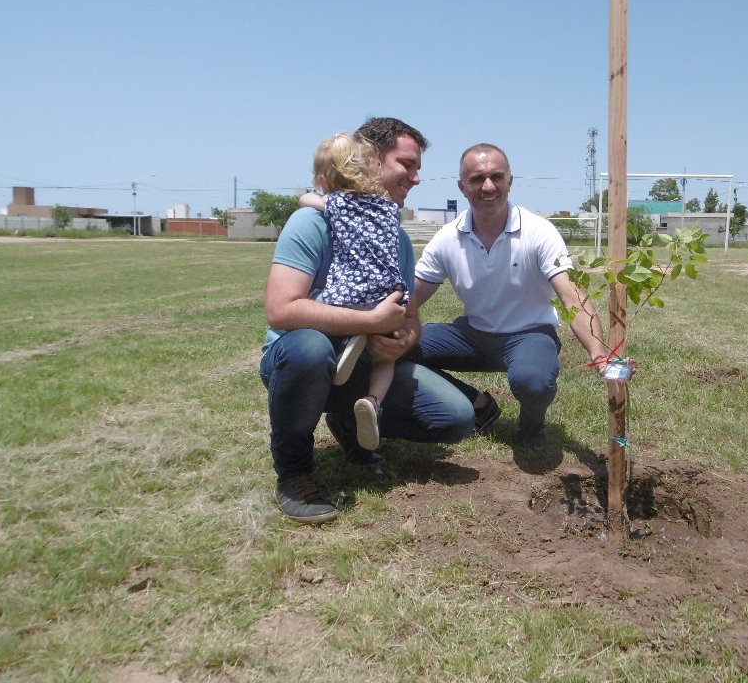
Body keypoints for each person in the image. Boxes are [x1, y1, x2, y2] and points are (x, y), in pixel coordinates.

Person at [260, 118, 475, 524]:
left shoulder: (394, 237)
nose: (415, 177)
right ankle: (295, 472)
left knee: (455, 417)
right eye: (407, 165)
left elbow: (408, 317)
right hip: (304, 361)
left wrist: (401, 339)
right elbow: (282, 310)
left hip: (362, 363)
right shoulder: (313, 222)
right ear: (372, 159)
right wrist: (371, 319)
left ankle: (352, 419)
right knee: (309, 347)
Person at [411, 143, 610, 449]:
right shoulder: (447, 238)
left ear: (510, 181)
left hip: (529, 335)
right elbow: (412, 297)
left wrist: (599, 352)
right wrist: (369, 324)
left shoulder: (538, 232)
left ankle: (531, 424)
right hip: (472, 335)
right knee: (397, 348)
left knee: (533, 380)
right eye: (477, 179)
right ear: (462, 187)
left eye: (496, 176)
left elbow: (573, 298)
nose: (488, 186)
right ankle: (477, 405)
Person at [298, 133, 407, 452]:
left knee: (321, 306)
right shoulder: (389, 209)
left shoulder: (336, 203)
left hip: (348, 292)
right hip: (389, 295)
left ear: (324, 181)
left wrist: (314, 196)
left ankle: (347, 341)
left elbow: (308, 200)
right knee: (385, 362)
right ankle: (373, 401)